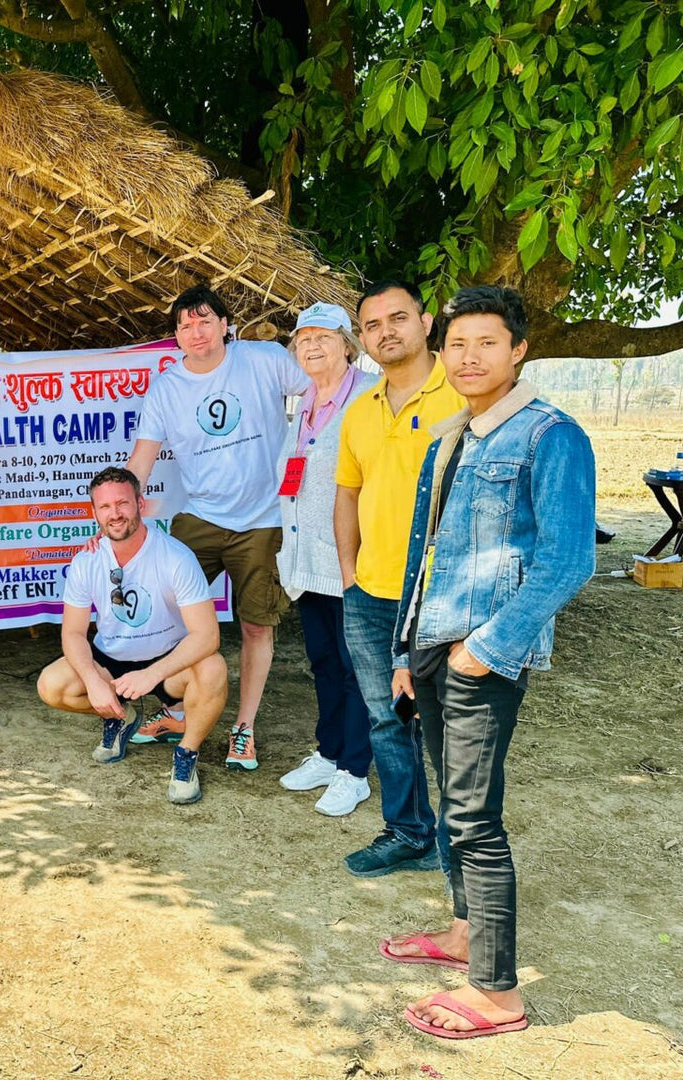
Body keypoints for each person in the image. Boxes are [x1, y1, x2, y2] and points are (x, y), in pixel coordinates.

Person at [382, 286, 594, 1039]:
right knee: (453, 805)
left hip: (482, 652)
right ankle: (466, 933)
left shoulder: (550, 436)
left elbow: (567, 563)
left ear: (519, 350)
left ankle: (498, 995)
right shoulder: (453, 437)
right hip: (436, 642)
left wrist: (485, 650)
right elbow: (428, 554)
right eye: (457, 345)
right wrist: (408, 650)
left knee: (474, 819)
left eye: (487, 343)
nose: (469, 358)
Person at [127, 282, 310, 771]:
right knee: (165, 614)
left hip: (265, 519)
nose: (196, 331)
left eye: (205, 320)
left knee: (255, 626)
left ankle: (243, 727)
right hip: (201, 516)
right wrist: (124, 501)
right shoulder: (167, 387)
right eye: (185, 324)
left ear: (226, 325)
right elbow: (143, 454)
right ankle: (175, 710)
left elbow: (322, 388)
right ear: (176, 336)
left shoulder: (264, 359)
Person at [334, 280, 465, 877]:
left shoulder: (463, 396)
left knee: (449, 723)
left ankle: (464, 844)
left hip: (443, 594)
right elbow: (347, 495)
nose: (385, 331)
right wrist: (348, 574)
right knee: (389, 719)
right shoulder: (359, 410)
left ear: (426, 321)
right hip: (371, 593)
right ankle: (409, 832)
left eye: (397, 318)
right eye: (371, 325)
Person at [36, 468, 228, 804]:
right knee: (52, 685)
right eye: (105, 507)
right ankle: (121, 716)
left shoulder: (175, 556)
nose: (115, 514)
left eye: (123, 503)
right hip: (112, 659)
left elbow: (208, 635)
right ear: (94, 513)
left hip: (166, 661)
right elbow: (74, 632)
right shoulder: (87, 559)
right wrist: (95, 683)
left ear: (140, 503)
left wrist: (152, 674)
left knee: (213, 668)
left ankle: (187, 754)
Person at [275, 303, 376, 816]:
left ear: (347, 344)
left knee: (358, 664)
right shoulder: (304, 399)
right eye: (303, 339)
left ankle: (355, 769)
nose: (311, 347)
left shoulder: (368, 397)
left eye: (323, 337)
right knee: (324, 661)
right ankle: (330, 750)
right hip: (307, 556)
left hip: (351, 556)